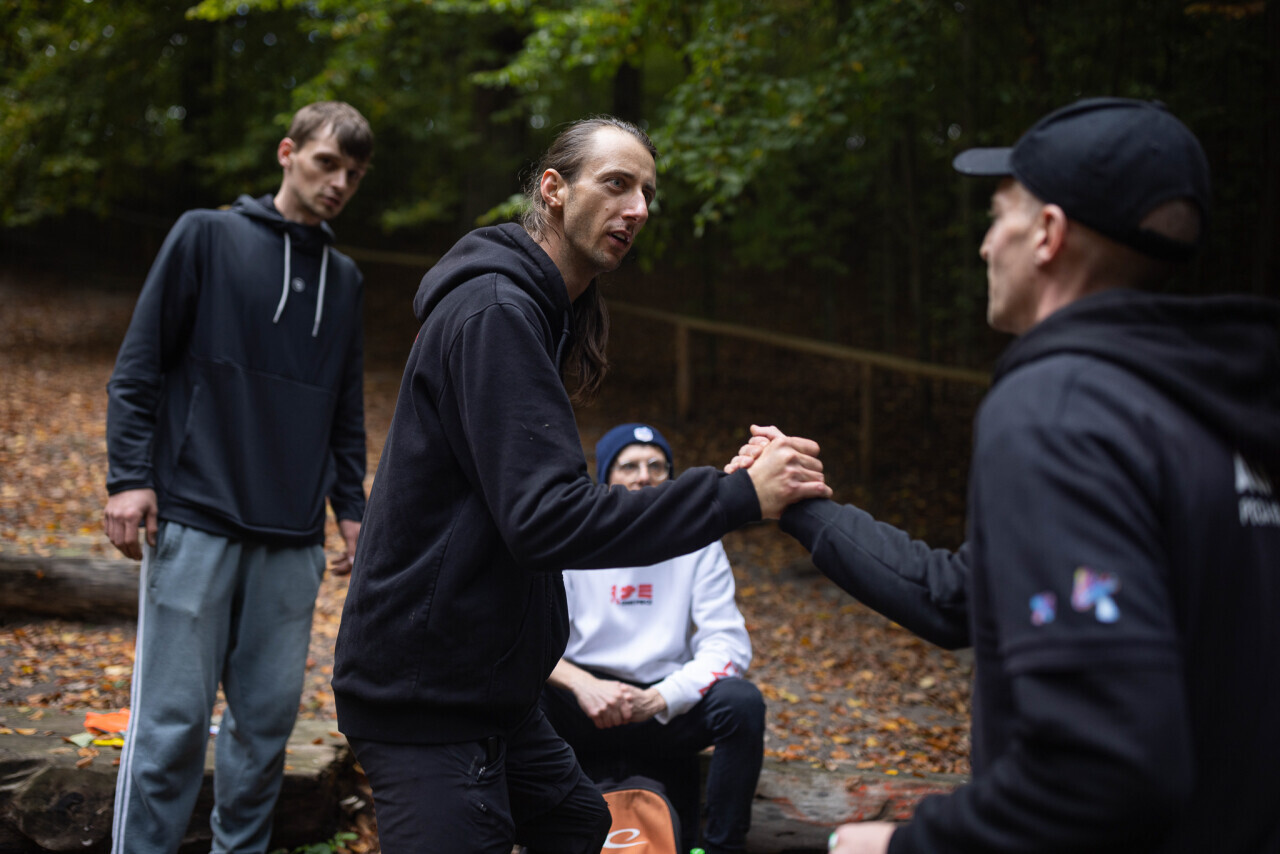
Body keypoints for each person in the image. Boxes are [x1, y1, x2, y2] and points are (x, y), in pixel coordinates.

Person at [733, 98, 1280, 853]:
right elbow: (958, 596)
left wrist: (901, 845)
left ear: (1048, 234)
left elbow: (1100, 770)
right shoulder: (1217, 407)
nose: (987, 246)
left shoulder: (1058, 409)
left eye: (998, 218)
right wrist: (799, 505)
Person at [330, 115, 830, 854]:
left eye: (647, 193)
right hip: (425, 692)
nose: (638, 209)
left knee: (579, 822)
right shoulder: (495, 313)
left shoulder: (541, 314)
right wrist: (738, 497)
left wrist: (727, 488)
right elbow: (548, 519)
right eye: (617, 184)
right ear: (554, 189)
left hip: (493, 688)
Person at [102, 101, 373, 853]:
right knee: (171, 731)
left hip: (291, 538)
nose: (339, 183)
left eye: (353, 174)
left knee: (263, 736)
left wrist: (351, 510)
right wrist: (128, 477)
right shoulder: (206, 235)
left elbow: (344, 406)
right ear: (288, 153)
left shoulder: (345, 279)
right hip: (195, 516)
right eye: (326, 163)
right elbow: (140, 365)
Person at [541, 422, 766, 854]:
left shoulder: (699, 540)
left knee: (741, 703)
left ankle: (721, 848)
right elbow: (530, 641)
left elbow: (729, 644)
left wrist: (662, 697)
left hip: (663, 705)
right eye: (629, 466)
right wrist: (583, 684)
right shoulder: (572, 536)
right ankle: (530, 837)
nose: (644, 476)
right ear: (605, 477)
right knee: (520, 696)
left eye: (656, 466)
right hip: (582, 702)